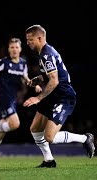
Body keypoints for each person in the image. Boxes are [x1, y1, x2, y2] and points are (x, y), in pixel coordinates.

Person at [23, 24, 95, 168]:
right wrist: (40, 78)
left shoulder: (46, 55)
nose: (28, 42)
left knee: (49, 137)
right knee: (35, 128)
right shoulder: (45, 52)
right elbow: (55, 74)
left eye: (30, 39)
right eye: (27, 40)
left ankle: (85, 138)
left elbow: (55, 80)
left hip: (63, 96)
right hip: (54, 94)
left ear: (40, 38)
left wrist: (37, 98)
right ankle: (49, 160)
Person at [0, 38, 42, 162]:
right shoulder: (3, 62)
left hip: (12, 99)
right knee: (15, 124)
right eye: (12, 47)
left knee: (3, 130)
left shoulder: (23, 63)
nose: (14, 50)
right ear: (8, 49)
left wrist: (34, 84)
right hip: (4, 98)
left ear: (20, 49)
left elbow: (25, 79)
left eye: (16, 47)